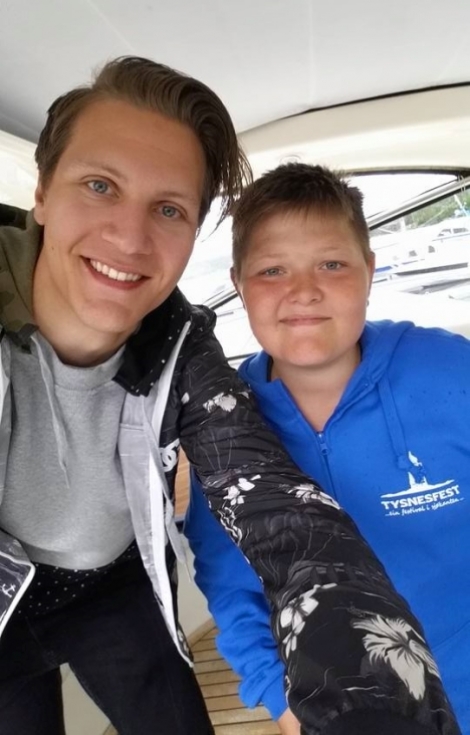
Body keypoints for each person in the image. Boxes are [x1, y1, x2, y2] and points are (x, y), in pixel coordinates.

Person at [0, 58, 457, 735]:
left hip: (112, 590)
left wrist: (368, 706)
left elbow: (276, 510)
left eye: (169, 209)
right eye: (100, 186)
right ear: (41, 191)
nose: (130, 237)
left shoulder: (184, 351)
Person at [187, 162, 469, 734]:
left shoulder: (450, 371)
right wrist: (280, 699)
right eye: (272, 270)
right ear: (239, 285)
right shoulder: (224, 427)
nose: (303, 291)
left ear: (368, 270)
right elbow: (230, 582)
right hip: (340, 712)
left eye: (332, 264)